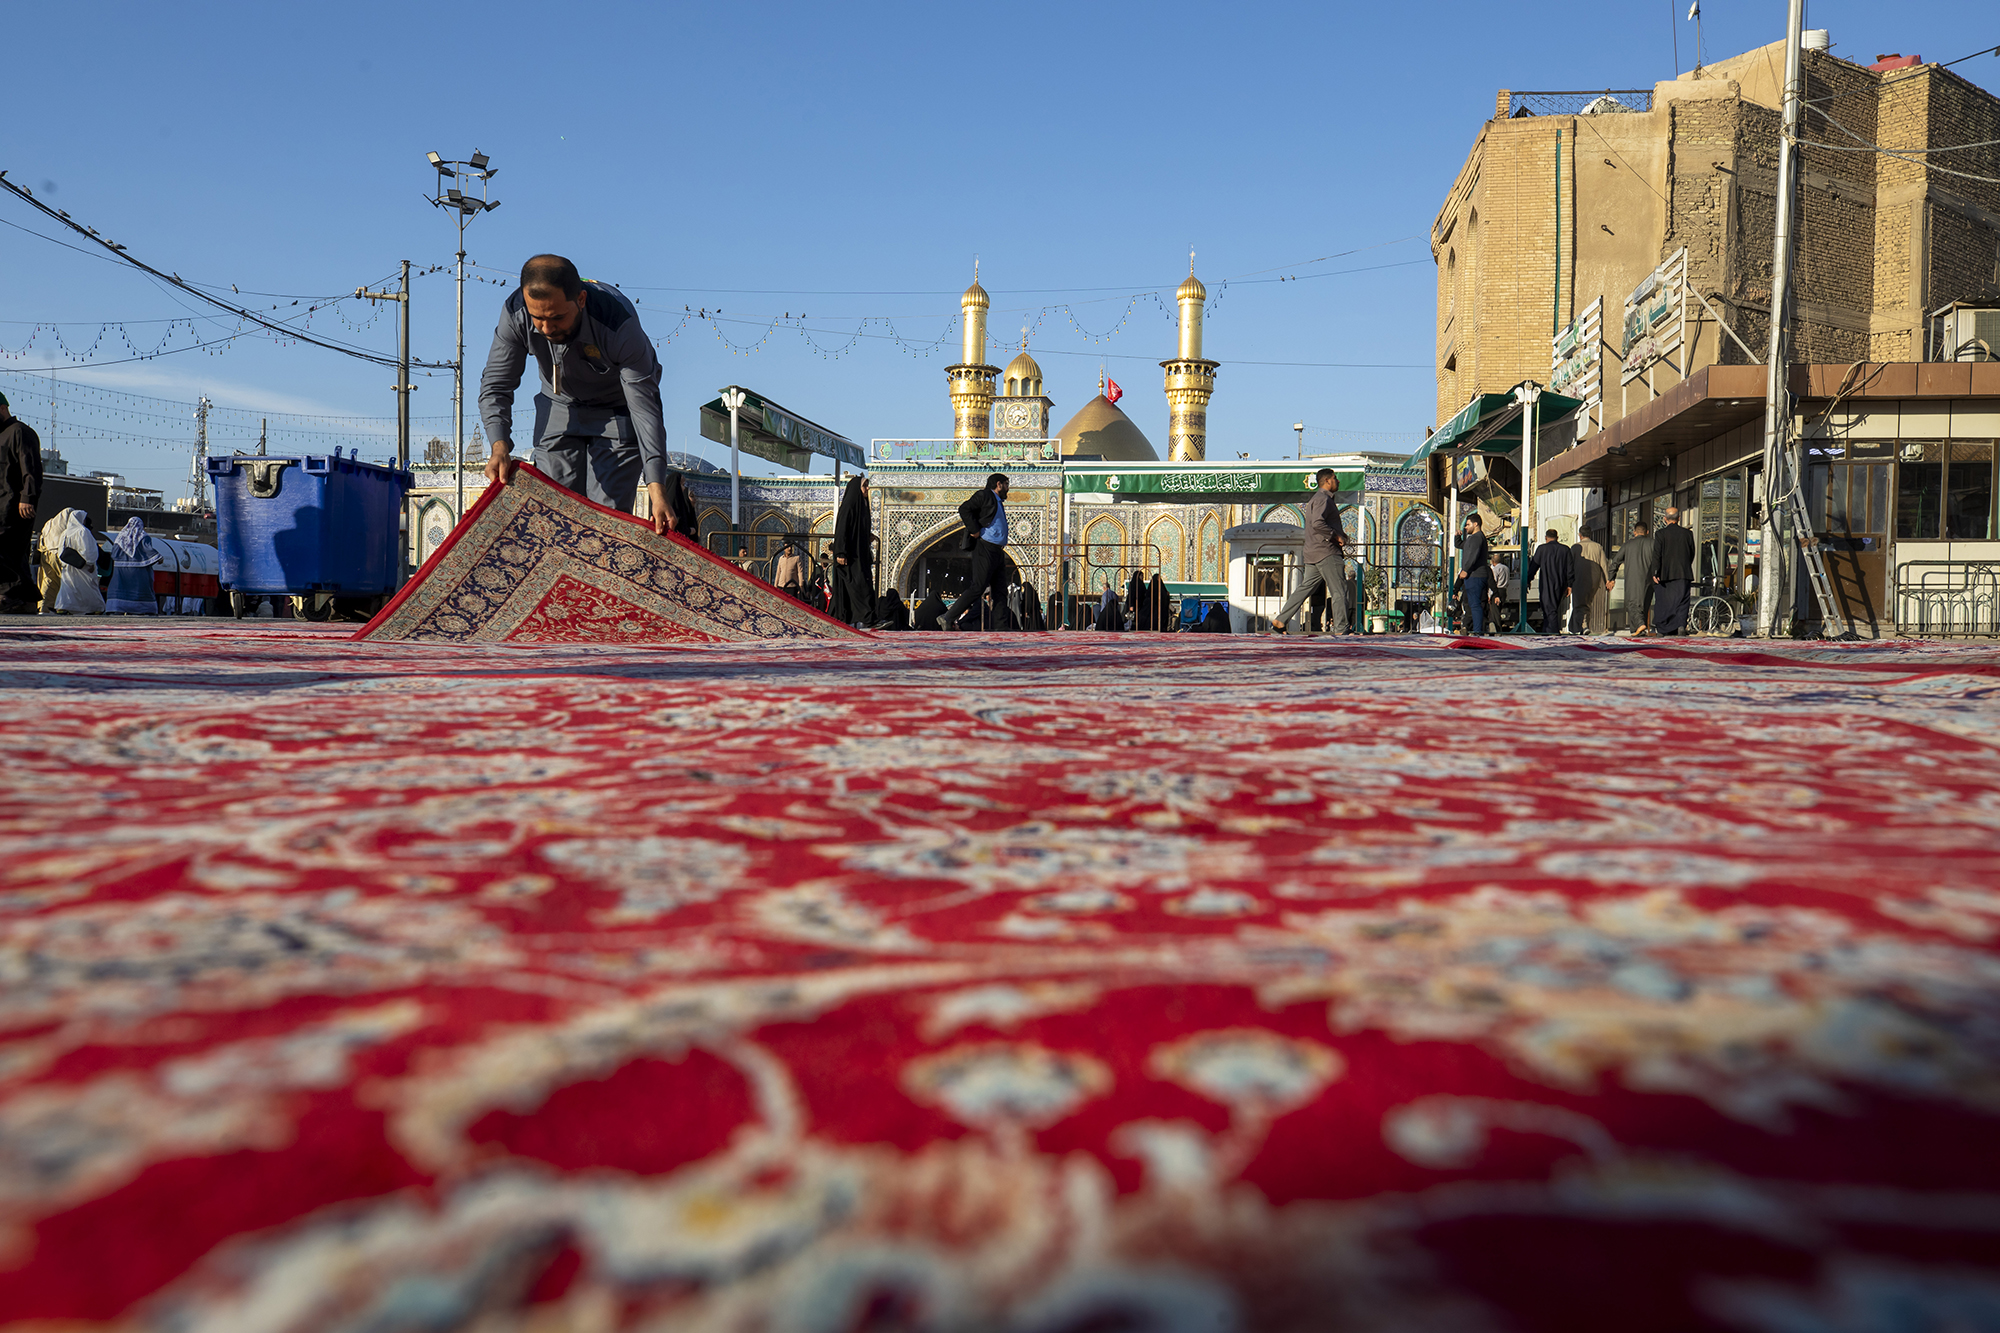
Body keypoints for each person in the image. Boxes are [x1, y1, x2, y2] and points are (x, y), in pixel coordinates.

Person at [478, 254, 673, 531]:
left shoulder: (618, 323)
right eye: (538, 318)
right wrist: (499, 445)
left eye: (557, 318)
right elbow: (497, 383)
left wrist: (656, 488)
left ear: (581, 299)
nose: (547, 329)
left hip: (617, 411)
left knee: (605, 522)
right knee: (553, 513)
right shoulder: (516, 312)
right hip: (558, 406)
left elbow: (645, 410)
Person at [1269, 468, 1349, 635]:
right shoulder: (1323, 499)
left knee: (1305, 588)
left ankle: (1280, 620)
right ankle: (1341, 629)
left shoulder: (1316, 499)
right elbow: (1318, 523)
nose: (1338, 481)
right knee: (1339, 590)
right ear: (1327, 481)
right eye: (1335, 478)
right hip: (1327, 552)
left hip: (1313, 552)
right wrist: (1336, 536)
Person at [945, 473, 1011, 630]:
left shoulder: (997, 501)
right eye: (1006, 484)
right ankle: (948, 617)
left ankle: (1001, 626)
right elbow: (964, 509)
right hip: (985, 547)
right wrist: (974, 530)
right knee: (978, 586)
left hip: (997, 550)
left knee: (1000, 590)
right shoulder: (985, 495)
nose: (1008, 488)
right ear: (998, 484)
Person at [0, 392, 43, 614]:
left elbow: (31, 468)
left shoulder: (20, 432)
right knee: (15, 554)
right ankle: (26, 600)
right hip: (2, 504)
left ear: (2, 409)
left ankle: (9, 596)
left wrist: (28, 497)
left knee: (6, 548)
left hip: (14, 504)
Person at [830, 475, 875, 627]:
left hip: (859, 555)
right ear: (857, 488)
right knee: (860, 586)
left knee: (850, 589)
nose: (867, 488)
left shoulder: (862, 506)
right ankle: (868, 619)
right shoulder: (849, 506)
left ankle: (839, 619)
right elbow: (841, 530)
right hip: (849, 556)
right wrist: (840, 552)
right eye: (865, 486)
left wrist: (867, 535)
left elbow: (857, 529)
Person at [42, 509, 103, 614]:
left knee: (68, 587)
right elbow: (88, 549)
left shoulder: (65, 532)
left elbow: (61, 550)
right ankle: (96, 608)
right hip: (83, 567)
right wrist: (90, 562)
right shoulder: (83, 531)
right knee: (88, 587)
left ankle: (64, 607)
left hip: (69, 566)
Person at [1649, 506, 1697, 635]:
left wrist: (1655, 572)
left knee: (1664, 601)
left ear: (1665, 519)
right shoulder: (1687, 534)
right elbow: (1692, 553)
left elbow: (1657, 554)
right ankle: (1680, 625)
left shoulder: (1660, 534)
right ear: (1679, 518)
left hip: (1664, 574)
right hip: (1683, 572)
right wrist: (1685, 565)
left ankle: (1662, 628)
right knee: (1682, 600)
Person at [105, 517, 162, 615]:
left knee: (120, 588)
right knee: (141, 589)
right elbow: (148, 550)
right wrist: (159, 557)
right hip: (139, 571)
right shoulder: (143, 536)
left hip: (121, 571)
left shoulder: (120, 538)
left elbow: (114, 554)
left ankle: (116, 607)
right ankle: (143, 609)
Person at [1612, 519, 1656, 635]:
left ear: (1634, 532)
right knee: (1644, 604)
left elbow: (1615, 561)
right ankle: (1639, 630)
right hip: (1649, 579)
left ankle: (1640, 625)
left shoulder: (1628, 545)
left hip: (1632, 579)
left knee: (1632, 603)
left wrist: (1611, 577)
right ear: (1647, 532)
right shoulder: (1653, 544)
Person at [1526, 529, 1573, 634]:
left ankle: (1554, 633)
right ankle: (1547, 631)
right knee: (1553, 609)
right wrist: (1569, 585)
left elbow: (1533, 566)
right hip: (1561, 583)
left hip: (1546, 583)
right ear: (1557, 537)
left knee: (1549, 609)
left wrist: (1528, 580)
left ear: (1546, 538)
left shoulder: (1542, 549)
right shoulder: (1565, 550)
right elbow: (1570, 569)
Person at [1452, 513, 1491, 635]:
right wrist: (1457, 537)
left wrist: (1466, 569)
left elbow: (1473, 555)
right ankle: (1477, 630)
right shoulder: (1472, 539)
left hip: (1475, 575)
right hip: (1473, 575)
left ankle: (1478, 631)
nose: (1466, 527)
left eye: (1468, 524)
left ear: (1476, 524)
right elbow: (1460, 545)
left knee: (1475, 605)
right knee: (1473, 604)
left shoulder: (1477, 538)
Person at [1572, 528, 1611, 635]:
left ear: (1580, 535)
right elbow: (1604, 565)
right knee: (1587, 603)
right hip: (1594, 580)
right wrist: (1607, 580)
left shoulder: (1575, 548)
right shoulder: (1598, 547)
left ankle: (1582, 626)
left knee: (1579, 604)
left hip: (1578, 579)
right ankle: (1582, 626)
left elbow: (1569, 565)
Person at [656, 471, 699, 541]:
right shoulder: (668, 505)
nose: (684, 488)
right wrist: (690, 531)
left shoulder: (681, 505)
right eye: (682, 484)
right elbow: (676, 528)